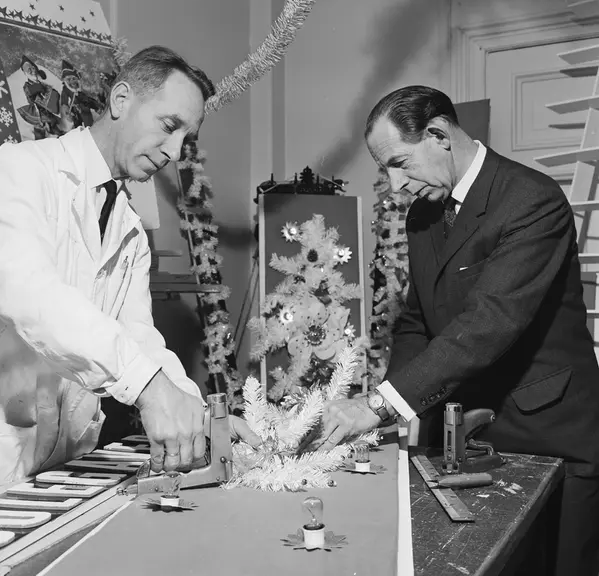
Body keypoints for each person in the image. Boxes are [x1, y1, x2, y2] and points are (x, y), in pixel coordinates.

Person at [310, 85, 599, 576]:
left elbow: (488, 324)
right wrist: (392, 414)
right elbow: (417, 320)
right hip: (465, 438)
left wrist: (378, 404)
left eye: (400, 163)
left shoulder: (531, 199)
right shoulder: (423, 214)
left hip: (549, 435)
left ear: (439, 135)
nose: (395, 184)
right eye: (386, 170)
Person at [0, 45, 260, 485]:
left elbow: (137, 334)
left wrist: (195, 413)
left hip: (67, 456)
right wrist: (150, 389)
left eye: (186, 139)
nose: (175, 152)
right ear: (121, 100)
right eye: (169, 126)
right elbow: (33, 296)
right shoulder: (18, 170)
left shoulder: (130, 229)